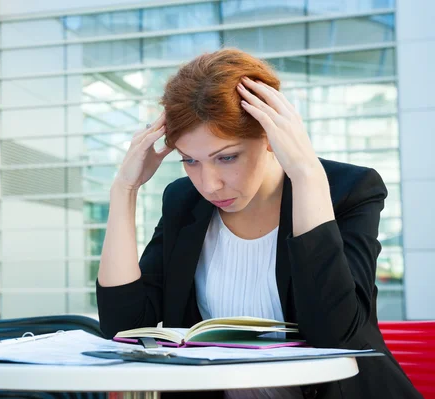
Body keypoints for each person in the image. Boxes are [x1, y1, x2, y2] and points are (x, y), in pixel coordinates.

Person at [95, 48, 422, 399]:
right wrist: (124, 190)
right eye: (190, 161)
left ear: (269, 134)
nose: (209, 184)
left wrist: (306, 173)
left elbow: (334, 334)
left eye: (227, 157)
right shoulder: (183, 201)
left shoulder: (349, 190)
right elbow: (124, 330)